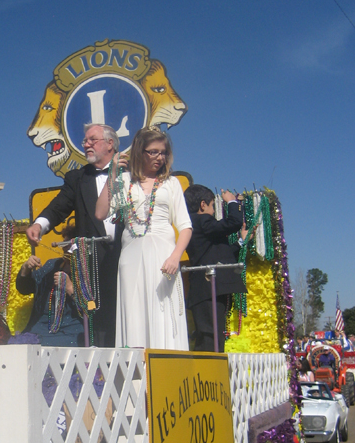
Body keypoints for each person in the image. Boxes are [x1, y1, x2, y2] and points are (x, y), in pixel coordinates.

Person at [96, 126, 192, 349]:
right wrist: (111, 175)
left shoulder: (171, 183)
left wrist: (175, 257)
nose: (159, 157)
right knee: (134, 311)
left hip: (163, 256)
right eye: (153, 152)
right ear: (140, 152)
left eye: (163, 152)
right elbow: (101, 213)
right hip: (131, 256)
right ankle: (136, 375)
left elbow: (185, 227)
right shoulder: (126, 180)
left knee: (163, 313)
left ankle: (167, 369)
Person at [26, 123, 122, 347]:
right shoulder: (78, 178)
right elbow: (59, 206)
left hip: (127, 257)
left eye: (92, 140)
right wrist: (40, 224)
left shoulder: (132, 174)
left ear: (110, 144)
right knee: (96, 318)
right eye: (84, 141)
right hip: (93, 263)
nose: (86, 144)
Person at [183, 185, 248, 352]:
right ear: (203, 205)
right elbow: (232, 223)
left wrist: (240, 241)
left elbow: (218, 253)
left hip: (209, 288)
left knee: (214, 335)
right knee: (210, 336)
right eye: (213, 205)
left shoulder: (202, 227)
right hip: (206, 289)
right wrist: (232, 202)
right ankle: (207, 374)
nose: (213, 211)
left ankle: (211, 372)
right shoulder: (200, 221)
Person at [16, 225, 84, 346]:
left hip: (70, 332)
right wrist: (26, 269)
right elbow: (25, 288)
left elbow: (90, 309)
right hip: (39, 329)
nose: (65, 247)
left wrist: (70, 287)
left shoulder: (86, 271)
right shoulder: (52, 265)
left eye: (70, 244)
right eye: (64, 243)